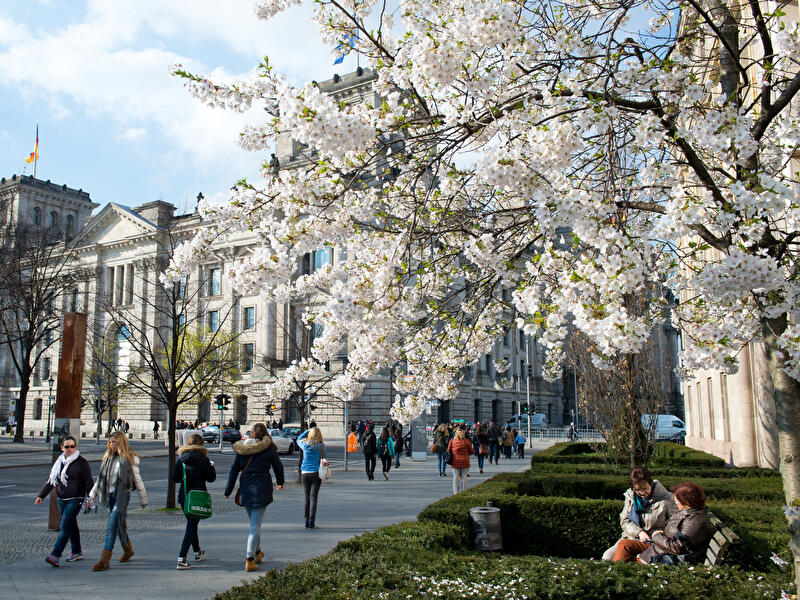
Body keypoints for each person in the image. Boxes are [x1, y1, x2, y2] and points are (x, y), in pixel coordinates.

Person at [224, 423, 284, 571]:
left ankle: (258, 553)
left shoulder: (242, 449)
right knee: (255, 525)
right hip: (262, 488)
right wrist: (280, 482)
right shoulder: (268, 448)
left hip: (246, 488)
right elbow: (278, 466)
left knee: (254, 522)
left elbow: (233, 471)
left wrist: (228, 490)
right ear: (265, 434)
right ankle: (249, 558)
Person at [89, 431, 148, 571]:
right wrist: (92, 495)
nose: (111, 444)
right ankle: (128, 551)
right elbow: (100, 479)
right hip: (109, 496)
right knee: (119, 526)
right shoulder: (107, 458)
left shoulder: (129, 458)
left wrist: (143, 498)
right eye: (110, 442)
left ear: (120, 443)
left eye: (114, 442)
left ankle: (104, 561)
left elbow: (137, 479)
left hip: (122, 496)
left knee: (110, 527)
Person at [614, 482, 713, 564]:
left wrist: (657, 537)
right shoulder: (689, 513)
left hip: (664, 555)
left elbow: (678, 547)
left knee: (627, 554)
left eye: (677, 502)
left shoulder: (696, 521)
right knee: (625, 544)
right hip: (659, 548)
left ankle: (614, 577)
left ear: (687, 504)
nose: (676, 505)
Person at [35, 435, 94, 566]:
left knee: (65, 525)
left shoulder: (81, 462)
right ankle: (77, 552)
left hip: (75, 498)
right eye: (67, 446)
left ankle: (55, 555)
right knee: (71, 525)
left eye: (72, 446)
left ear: (75, 447)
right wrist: (41, 496)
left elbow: (88, 482)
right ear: (62, 448)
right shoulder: (59, 462)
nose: (70, 449)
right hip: (61, 499)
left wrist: (90, 497)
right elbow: (51, 481)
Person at [603, 466, 677, 561]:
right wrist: (639, 532)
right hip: (631, 536)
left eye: (645, 488)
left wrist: (661, 534)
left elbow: (674, 523)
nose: (642, 492)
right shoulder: (630, 497)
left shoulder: (667, 498)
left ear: (650, 484)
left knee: (628, 554)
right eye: (638, 490)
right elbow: (624, 520)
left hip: (653, 541)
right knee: (607, 557)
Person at [173, 433, 216, 569]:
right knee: (191, 526)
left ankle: (197, 552)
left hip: (184, 497)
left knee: (192, 524)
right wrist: (211, 466)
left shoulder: (181, 459)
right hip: (197, 497)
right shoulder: (203, 459)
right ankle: (181, 558)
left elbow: (176, 478)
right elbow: (211, 478)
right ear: (201, 445)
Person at [297, 426, 327, 529]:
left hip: (305, 472)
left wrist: (307, 431)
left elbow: (298, 439)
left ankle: (306, 521)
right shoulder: (321, 446)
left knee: (306, 497)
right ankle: (312, 522)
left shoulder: (304, 445)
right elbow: (324, 457)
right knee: (313, 497)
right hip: (316, 473)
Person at [448, 427, 472, 495]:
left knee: (455, 476)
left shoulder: (452, 441)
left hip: (455, 461)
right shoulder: (467, 441)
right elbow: (471, 451)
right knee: (464, 476)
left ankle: (456, 492)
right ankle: (464, 491)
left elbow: (448, 450)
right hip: (465, 461)